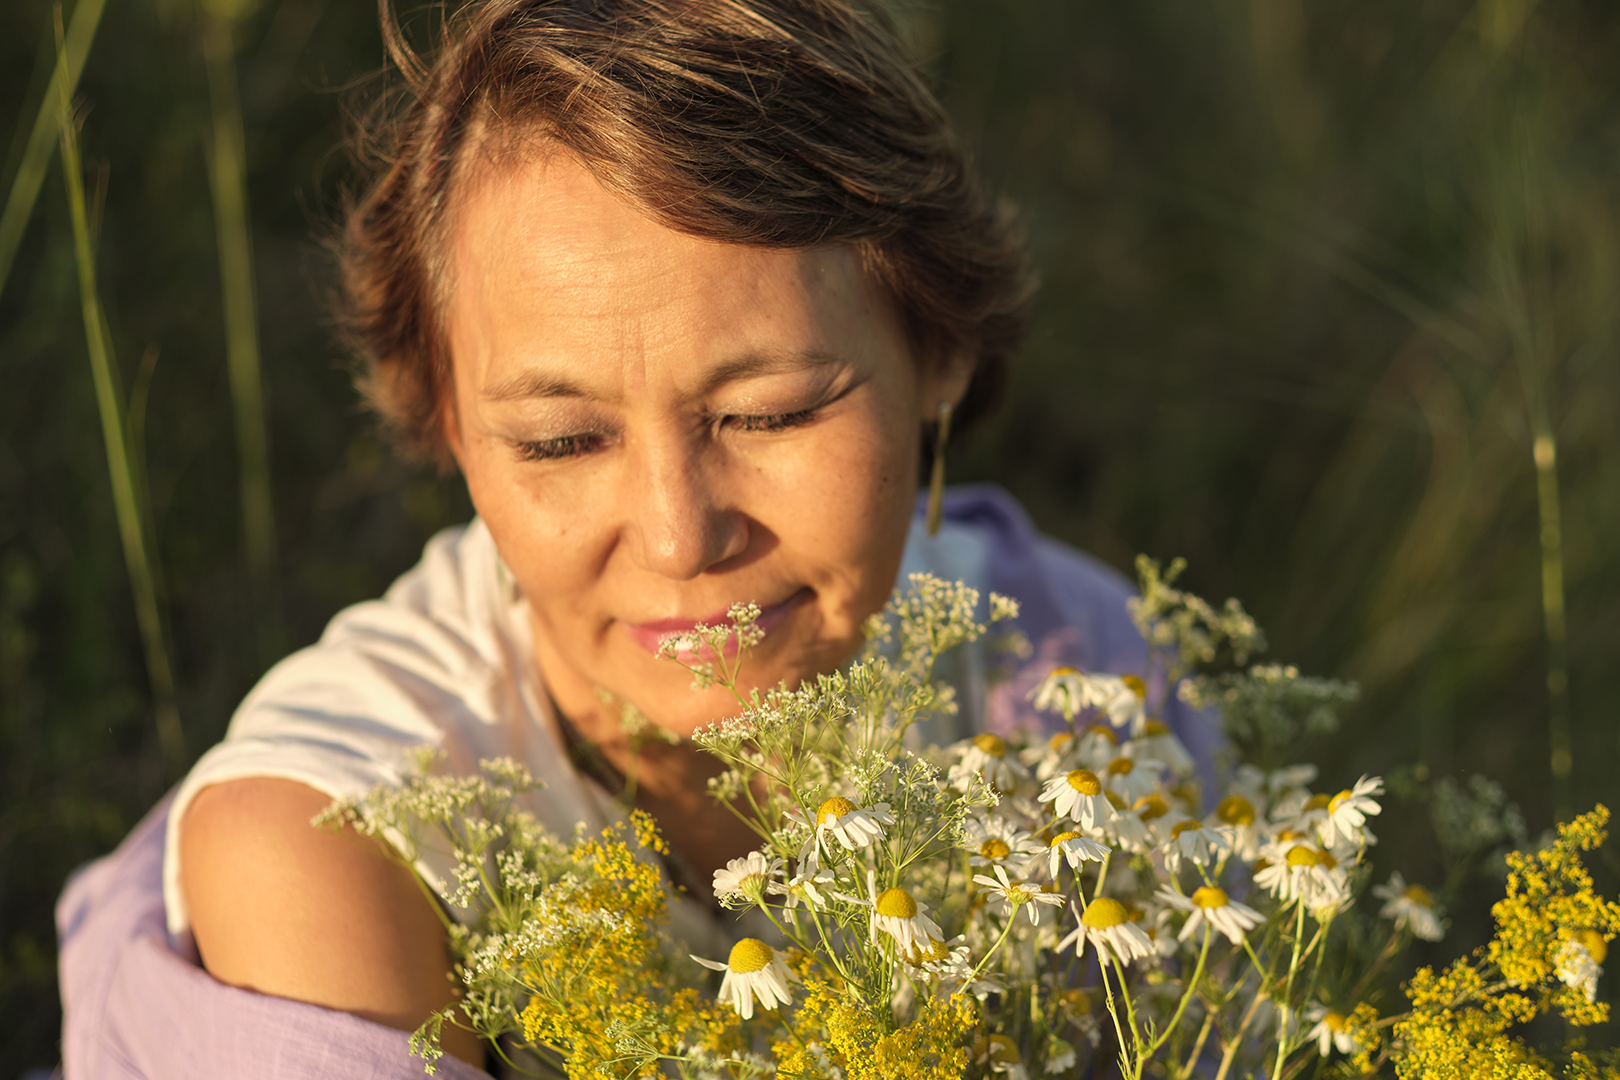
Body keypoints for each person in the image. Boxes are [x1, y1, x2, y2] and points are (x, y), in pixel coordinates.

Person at [56, 1, 1216, 1075]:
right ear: (450, 424)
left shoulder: (1076, 670)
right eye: (562, 439)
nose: (677, 537)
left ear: (942, 355)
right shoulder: (336, 849)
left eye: (769, 412)